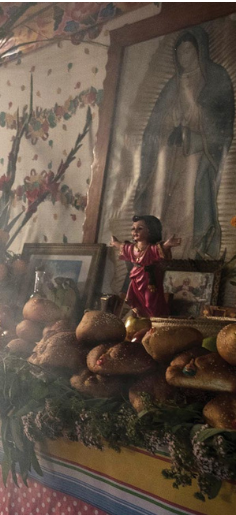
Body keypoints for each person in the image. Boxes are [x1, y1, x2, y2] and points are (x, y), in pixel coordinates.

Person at [132, 28, 234, 260]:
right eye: (179, 52)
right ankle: (163, 257)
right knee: (166, 208)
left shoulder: (216, 77)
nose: (183, 57)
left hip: (197, 154)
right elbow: (156, 124)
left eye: (188, 51)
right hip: (171, 156)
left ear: (199, 50)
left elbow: (221, 121)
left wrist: (196, 120)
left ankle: (186, 256)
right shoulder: (172, 85)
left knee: (188, 205)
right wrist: (170, 123)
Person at [111, 215, 181, 318]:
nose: (135, 231)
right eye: (133, 229)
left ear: (150, 231)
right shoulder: (132, 248)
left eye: (140, 228)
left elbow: (159, 249)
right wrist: (115, 243)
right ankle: (141, 320)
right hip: (135, 278)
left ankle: (154, 321)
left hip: (150, 279)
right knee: (137, 301)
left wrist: (168, 245)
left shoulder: (151, 248)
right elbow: (123, 247)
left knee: (150, 302)